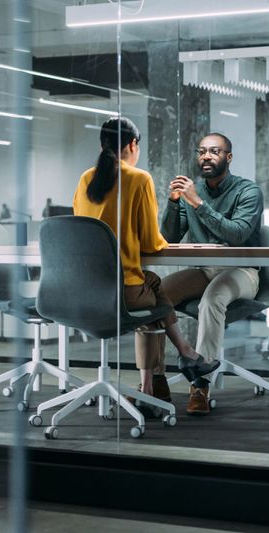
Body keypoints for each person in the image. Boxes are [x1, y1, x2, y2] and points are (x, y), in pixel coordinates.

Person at [72, 117, 219, 417]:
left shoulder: (85, 179)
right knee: (152, 293)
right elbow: (152, 243)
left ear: (102, 145)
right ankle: (182, 358)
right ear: (132, 144)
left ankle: (153, 386)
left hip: (83, 290)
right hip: (121, 292)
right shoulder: (139, 179)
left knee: (151, 286)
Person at [158, 132, 265, 415]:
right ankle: (154, 382)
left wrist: (198, 204)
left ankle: (200, 384)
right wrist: (174, 202)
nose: (206, 156)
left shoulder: (248, 191)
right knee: (155, 294)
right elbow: (169, 237)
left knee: (212, 299)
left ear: (228, 157)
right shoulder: (191, 193)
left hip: (242, 270)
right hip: (204, 270)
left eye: (214, 151)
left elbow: (238, 234)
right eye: (202, 151)